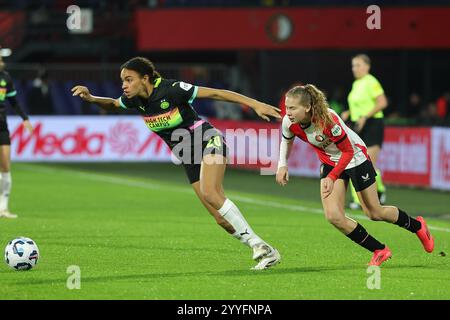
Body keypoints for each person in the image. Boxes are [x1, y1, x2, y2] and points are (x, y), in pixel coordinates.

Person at [72, 57, 281, 270]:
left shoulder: (172, 89)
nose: (124, 85)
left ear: (145, 78)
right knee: (221, 220)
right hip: (187, 157)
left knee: (210, 192)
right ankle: (267, 250)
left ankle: (257, 246)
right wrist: (91, 98)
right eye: (122, 80)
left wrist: (256, 104)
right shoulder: (135, 99)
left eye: (129, 79)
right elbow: (114, 104)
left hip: (207, 139)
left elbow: (217, 93)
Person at [276, 84, 434, 266]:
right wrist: (282, 165)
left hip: (355, 158)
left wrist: (332, 177)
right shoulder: (289, 122)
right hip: (330, 162)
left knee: (374, 212)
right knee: (333, 216)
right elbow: (286, 141)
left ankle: (418, 226)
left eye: (293, 108)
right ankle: (380, 249)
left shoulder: (327, 120)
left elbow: (347, 152)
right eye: (287, 107)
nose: (288, 112)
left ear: (307, 107)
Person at [341, 54, 388, 209]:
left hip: (372, 124)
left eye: (358, 65)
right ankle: (379, 191)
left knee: (367, 164)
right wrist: (348, 112)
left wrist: (365, 117)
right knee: (360, 162)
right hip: (359, 125)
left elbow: (382, 102)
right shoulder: (357, 84)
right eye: (353, 65)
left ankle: (361, 199)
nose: (355, 68)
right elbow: (360, 105)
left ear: (367, 66)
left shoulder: (371, 81)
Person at [0, 53, 33, 218]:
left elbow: (14, 102)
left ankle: (3, 207)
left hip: (2, 127)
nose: (1, 61)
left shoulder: (5, 78)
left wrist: (25, 119)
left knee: (6, 167)